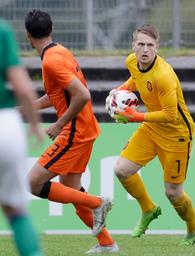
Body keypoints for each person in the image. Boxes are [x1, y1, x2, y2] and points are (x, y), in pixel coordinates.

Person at [24, 9, 119, 254]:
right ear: (51, 29)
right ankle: (107, 244)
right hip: (85, 128)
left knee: (33, 183)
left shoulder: (50, 61)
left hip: (75, 131)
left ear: (27, 36)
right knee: (72, 190)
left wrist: (59, 123)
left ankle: (98, 202)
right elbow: (59, 94)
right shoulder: (60, 52)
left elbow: (82, 94)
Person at [106, 24, 195, 245]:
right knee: (122, 170)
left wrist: (133, 116)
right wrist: (120, 92)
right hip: (152, 128)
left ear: (157, 48)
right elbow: (135, 80)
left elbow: (170, 115)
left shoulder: (164, 76)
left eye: (150, 45)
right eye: (140, 44)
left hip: (177, 134)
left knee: (173, 193)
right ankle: (148, 209)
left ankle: (194, 229)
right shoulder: (132, 61)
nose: (145, 50)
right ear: (133, 46)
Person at [0, 19, 44, 256]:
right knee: (15, 208)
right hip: (5, 126)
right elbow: (23, 88)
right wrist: (35, 125)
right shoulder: (2, 31)